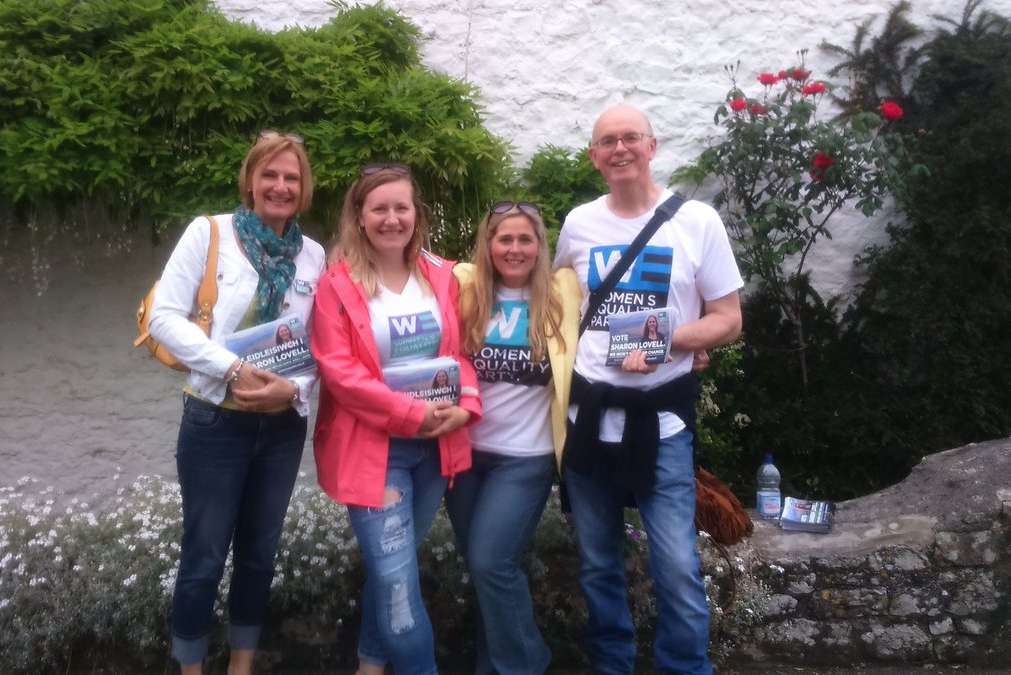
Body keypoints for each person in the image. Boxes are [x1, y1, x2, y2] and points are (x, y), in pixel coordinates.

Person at [552, 105, 743, 675]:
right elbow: (562, 306)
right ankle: (612, 665)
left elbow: (728, 318)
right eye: (607, 141)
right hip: (589, 418)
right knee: (597, 564)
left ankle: (684, 667)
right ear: (594, 156)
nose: (620, 148)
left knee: (677, 565)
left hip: (662, 422)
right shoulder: (579, 224)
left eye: (631, 137)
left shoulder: (698, 222)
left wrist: (671, 343)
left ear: (652, 146)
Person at [148, 130, 326, 675]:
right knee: (203, 558)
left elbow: (321, 346)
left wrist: (294, 389)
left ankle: (241, 666)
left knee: (258, 556)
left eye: (291, 177)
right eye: (269, 174)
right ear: (249, 179)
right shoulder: (210, 234)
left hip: (281, 428)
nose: (280, 186)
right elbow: (163, 318)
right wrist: (233, 368)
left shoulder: (313, 256)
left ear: (304, 187)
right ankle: (191, 668)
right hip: (214, 424)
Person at [311, 163, 481, 675]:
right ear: (359, 217)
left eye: (401, 207)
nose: (392, 219)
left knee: (393, 571)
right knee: (397, 583)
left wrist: (466, 405)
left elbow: (460, 353)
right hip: (374, 452)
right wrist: (411, 413)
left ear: (416, 213)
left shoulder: (443, 275)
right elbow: (339, 373)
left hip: (434, 448)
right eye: (379, 209)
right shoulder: (336, 285)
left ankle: (368, 666)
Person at [447, 200, 581, 674]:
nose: (515, 248)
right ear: (488, 244)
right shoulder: (464, 288)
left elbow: (624, 308)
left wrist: (680, 345)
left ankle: (526, 663)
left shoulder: (564, 293)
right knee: (485, 570)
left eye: (526, 239)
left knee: (490, 563)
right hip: (466, 456)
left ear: (540, 246)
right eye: (505, 238)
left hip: (525, 458)